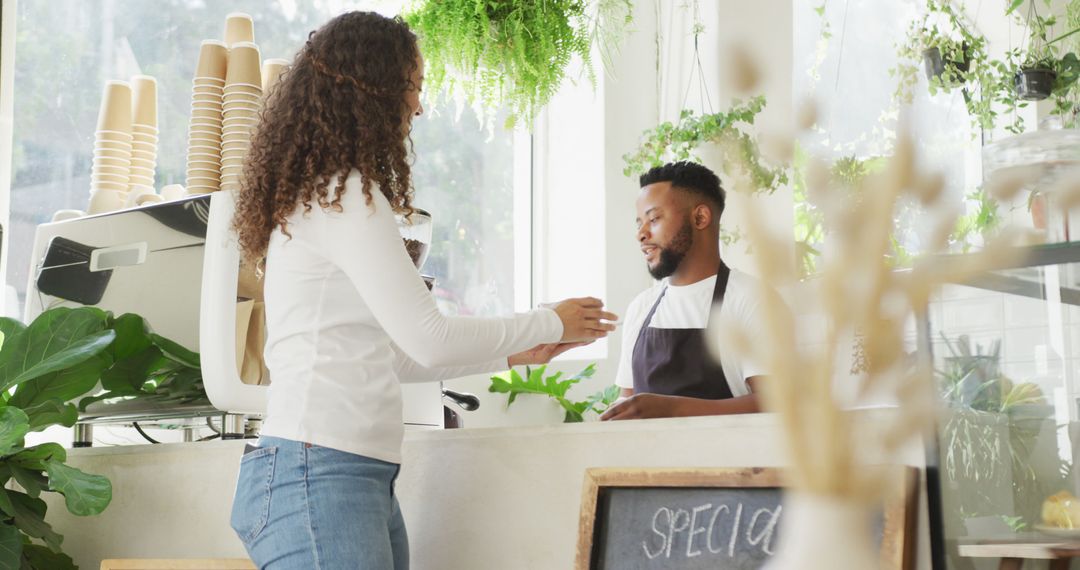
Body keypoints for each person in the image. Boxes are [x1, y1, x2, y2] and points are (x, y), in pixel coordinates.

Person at [228, 12, 616, 570]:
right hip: (319, 472)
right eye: (413, 88)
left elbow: (387, 356)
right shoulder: (345, 194)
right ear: (374, 91)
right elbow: (431, 337)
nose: (419, 105)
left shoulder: (328, 195)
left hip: (338, 473)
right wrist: (550, 321)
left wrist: (511, 352)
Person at [601, 161, 770, 421]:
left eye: (654, 219)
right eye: (639, 223)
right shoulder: (641, 307)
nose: (641, 234)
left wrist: (672, 410)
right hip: (643, 461)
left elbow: (776, 403)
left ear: (700, 217)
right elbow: (628, 398)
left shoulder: (752, 299)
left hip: (727, 460)